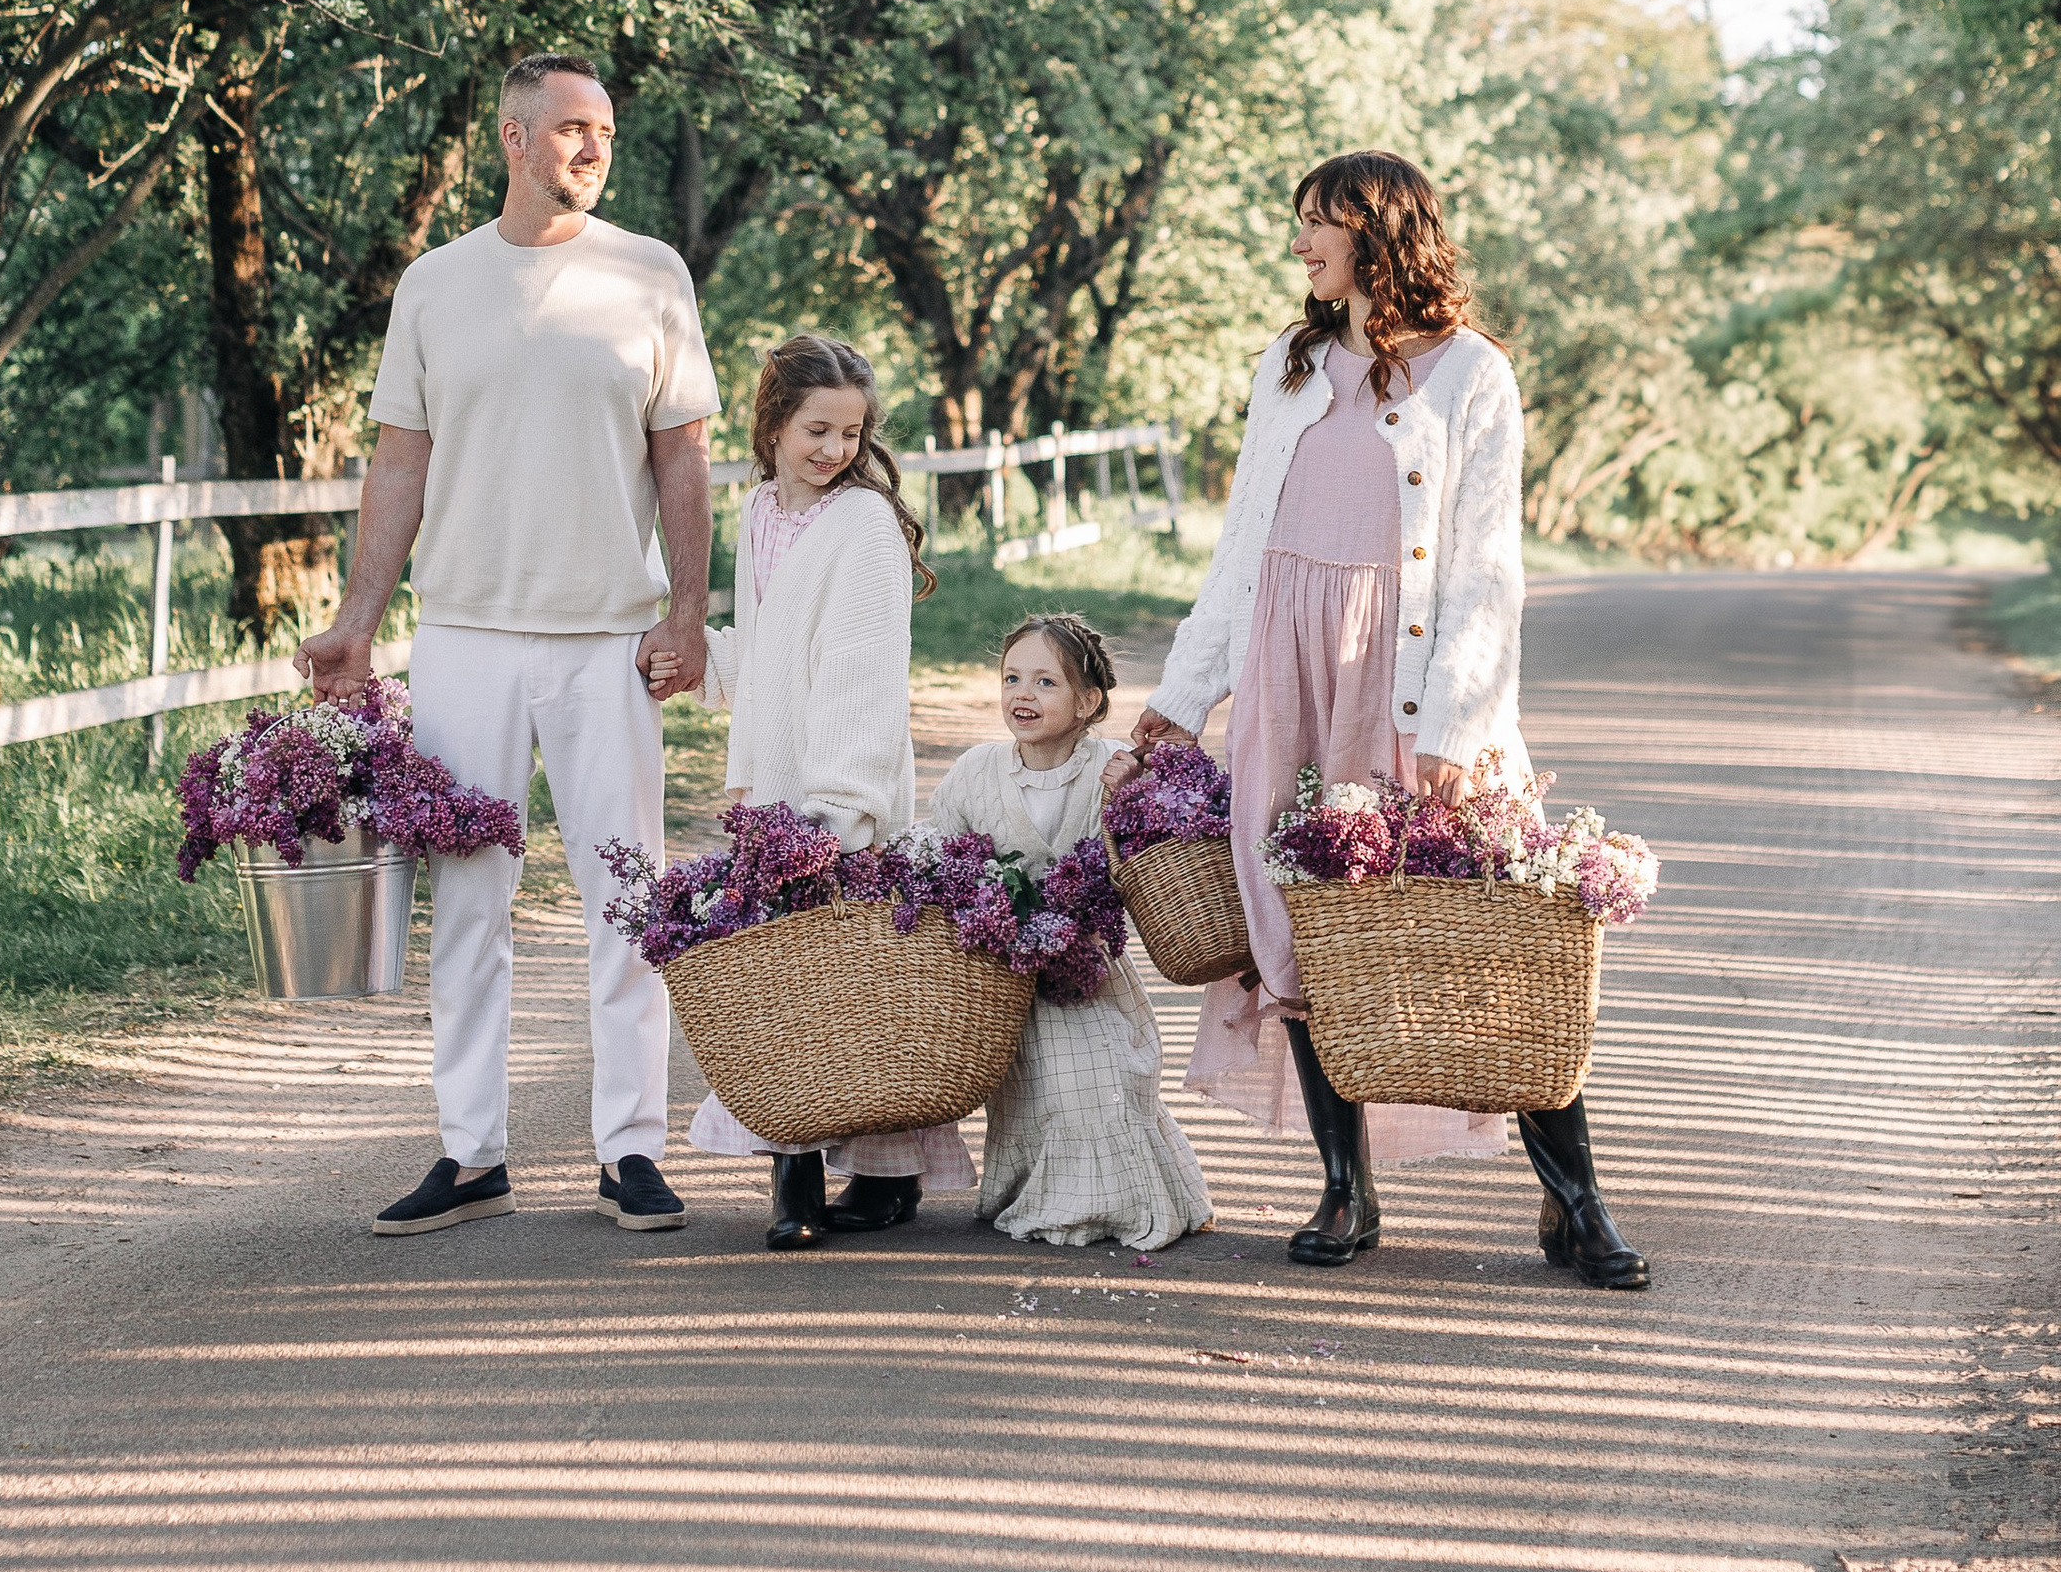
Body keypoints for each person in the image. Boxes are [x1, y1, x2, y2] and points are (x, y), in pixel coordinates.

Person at [1117, 150, 1648, 1289]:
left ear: (1380, 233)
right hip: (1285, 675)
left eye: (1319, 223)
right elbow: (1240, 547)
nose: (1300, 243)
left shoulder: (1471, 375)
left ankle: (1575, 1202)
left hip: (1407, 686)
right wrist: (1178, 697)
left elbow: (1486, 570)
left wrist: (1456, 723)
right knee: (1313, 927)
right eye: (1299, 223)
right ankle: (1344, 1188)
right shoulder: (1289, 364)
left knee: (1493, 937)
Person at [296, 51, 718, 1238]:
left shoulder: (650, 275)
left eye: (606, 132)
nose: (592, 148)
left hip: (608, 640)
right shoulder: (434, 284)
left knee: (623, 898)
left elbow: (680, 457)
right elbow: (399, 464)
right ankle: (470, 1151)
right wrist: (358, 623)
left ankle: (628, 1149)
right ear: (513, 140)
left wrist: (685, 611)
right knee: (470, 901)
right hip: (466, 637)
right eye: (571, 128)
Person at [690, 331, 973, 1251]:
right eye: (817, 429)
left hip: (835, 789)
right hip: (768, 785)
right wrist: (693, 660)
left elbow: (861, 672)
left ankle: (857, 1177)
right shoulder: (760, 512)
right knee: (797, 985)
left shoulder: (862, 524)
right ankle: (818, 1168)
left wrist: (836, 809)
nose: (835, 451)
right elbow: (771, 652)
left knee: (849, 986)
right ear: (771, 422)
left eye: (850, 434)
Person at [928, 614, 1209, 1255]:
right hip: (1010, 982)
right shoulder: (978, 771)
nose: (1022, 694)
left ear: (1088, 702)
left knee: (1100, 1083)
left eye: (1046, 682)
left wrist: (1137, 787)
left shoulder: (1111, 766)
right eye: (1012, 678)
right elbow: (936, 852)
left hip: (1091, 973)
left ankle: (1117, 1199)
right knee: (1036, 1097)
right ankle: (1040, 1190)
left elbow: (1157, 848)